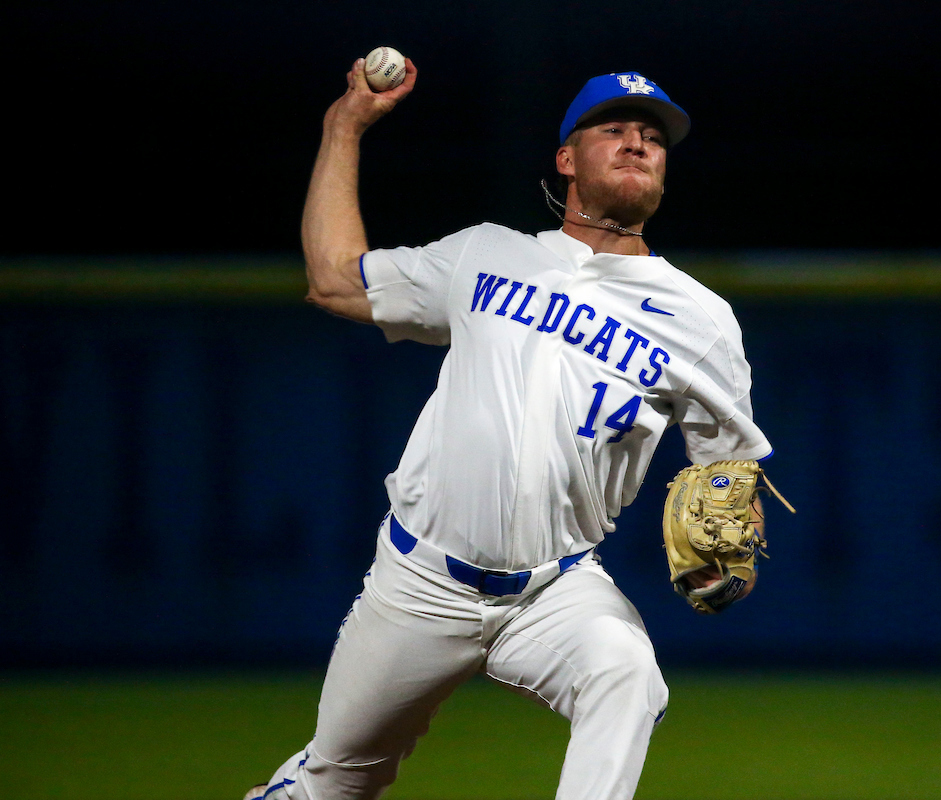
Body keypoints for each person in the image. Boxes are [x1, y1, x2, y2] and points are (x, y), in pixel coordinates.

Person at [245, 57, 773, 800]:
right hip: (419, 582)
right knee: (333, 783)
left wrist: (730, 556)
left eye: (652, 136)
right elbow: (334, 278)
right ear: (566, 160)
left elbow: (729, 473)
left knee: (626, 674)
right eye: (612, 129)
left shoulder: (702, 319)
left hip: (553, 590)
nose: (636, 142)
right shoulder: (486, 254)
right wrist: (345, 126)